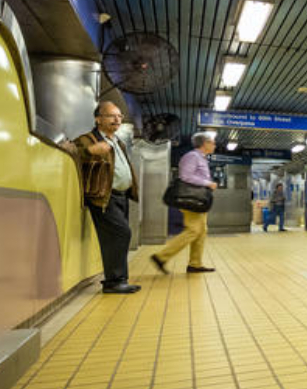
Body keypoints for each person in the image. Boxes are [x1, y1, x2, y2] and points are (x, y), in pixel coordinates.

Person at [70, 102, 141, 294]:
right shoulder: (88, 139)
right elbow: (71, 151)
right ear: (98, 118)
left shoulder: (117, 142)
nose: (117, 119)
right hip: (103, 197)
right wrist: (90, 151)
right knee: (121, 233)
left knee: (117, 237)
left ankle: (119, 280)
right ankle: (114, 281)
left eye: (119, 116)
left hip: (121, 196)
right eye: (111, 116)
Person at [150, 132, 218, 274]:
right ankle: (161, 257)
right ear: (204, 143)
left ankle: (195, 264)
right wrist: (208, 183)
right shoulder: (192, 157)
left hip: (199, 200)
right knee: (193, 230)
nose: (214, 145)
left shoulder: (202, 158)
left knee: (201, 231)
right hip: (191, 199)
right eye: (212, 142)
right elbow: (186, 176)